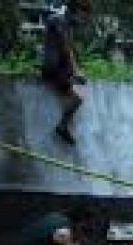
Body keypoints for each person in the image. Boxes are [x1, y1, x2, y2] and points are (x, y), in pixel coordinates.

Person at [42, 0, 90, 145]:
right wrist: (76, 73)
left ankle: (63, 125)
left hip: (59, 70)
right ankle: (62, 126)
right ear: (74, 11)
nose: (83, 20)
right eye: (83, 16)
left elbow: (70, 50)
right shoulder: (58, 20)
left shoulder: (66, 25)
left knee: (78, 92)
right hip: (54, 70)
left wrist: (77, 72)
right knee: (79, 96)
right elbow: (65, 48)